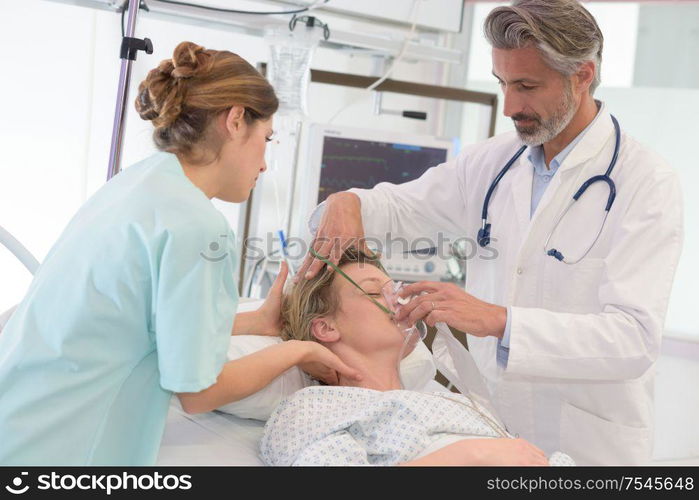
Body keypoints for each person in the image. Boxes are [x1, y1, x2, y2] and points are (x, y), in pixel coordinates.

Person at [297, 0, 684, 465]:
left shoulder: (644, 182)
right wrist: (348, 202)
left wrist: (500, 321)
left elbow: (634, 339)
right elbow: (399, 208)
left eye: (526, 85)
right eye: (502, 83)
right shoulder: (493, 163)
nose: (510, 106)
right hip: (490, 430)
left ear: (582, 75)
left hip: (587, 443)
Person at [0, 41, 359, 466]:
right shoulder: (197, 228)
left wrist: (254, 323)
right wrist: (301, 351)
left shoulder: (135, 184)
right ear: (236, 120)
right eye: (267, 138)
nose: (264, 164)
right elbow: (201, 392)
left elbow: (136, 324)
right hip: (67, 448)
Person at [261, 247, 575, 466]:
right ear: (325, 328)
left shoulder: (452, 402)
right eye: (375, 293)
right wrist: (469, 457)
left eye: (393, 289)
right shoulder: (314, 409)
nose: (396, 300)